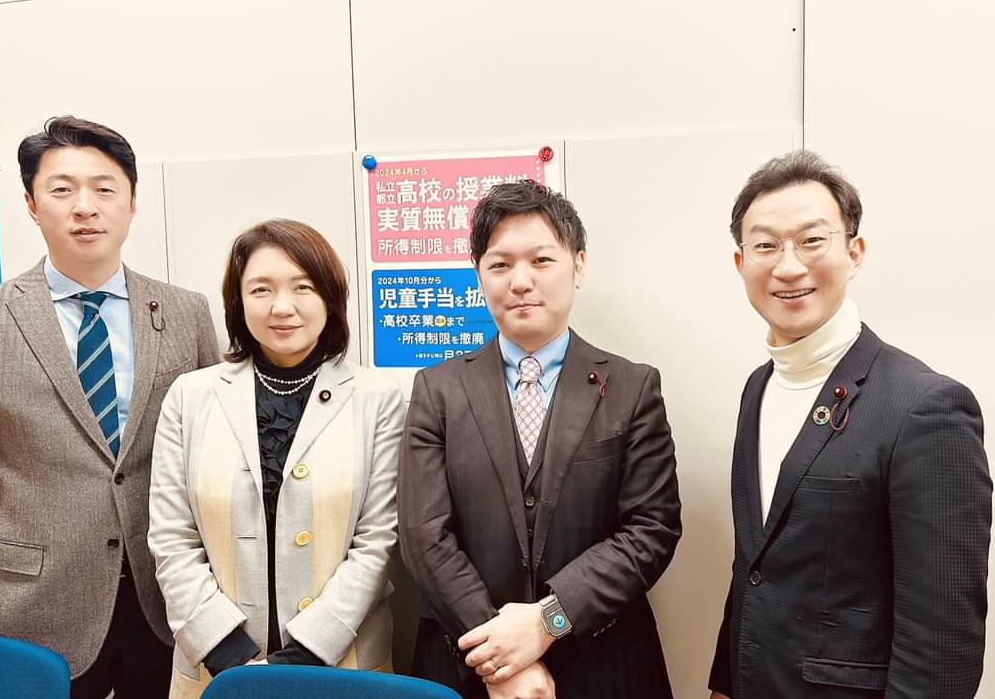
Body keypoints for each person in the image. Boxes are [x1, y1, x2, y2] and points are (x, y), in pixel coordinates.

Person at [0, 116, 221, 698]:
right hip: (36, 603)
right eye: (62, 189)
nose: (85, 207)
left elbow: (212, 459)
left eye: (105, 189)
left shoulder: (186, 313)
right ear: (32, 205)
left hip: (169, 596)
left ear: (131, 204)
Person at [708, 150, 991, 698]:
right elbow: (754, 568)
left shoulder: (926, 407)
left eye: (812, 240)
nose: (788, 266)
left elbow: (943, 644)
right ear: (741, 263)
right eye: (766, 245)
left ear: (854, 253)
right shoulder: (757, 388)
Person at [399, 180, 682, 699]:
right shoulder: (437, 390)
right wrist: (499, 659)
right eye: (500, 264)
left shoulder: (632, 387)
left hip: (604, 663)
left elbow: (651, 529)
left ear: (578, 266)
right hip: (468, 664)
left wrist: (548, 620)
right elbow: (423, 536)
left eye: (541, 260)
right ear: (479, 275)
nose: (521, 281)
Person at [148, 219, 405, 698]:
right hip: (216, 669)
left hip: (342, 664)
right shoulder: (190, 396)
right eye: (261, 289)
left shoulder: (378, 398)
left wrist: (305, 655)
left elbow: (379, 541)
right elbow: (171, 536)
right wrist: (227, 653)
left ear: (329, 297)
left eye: (303, 287)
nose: (282, 306)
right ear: (237, 301)